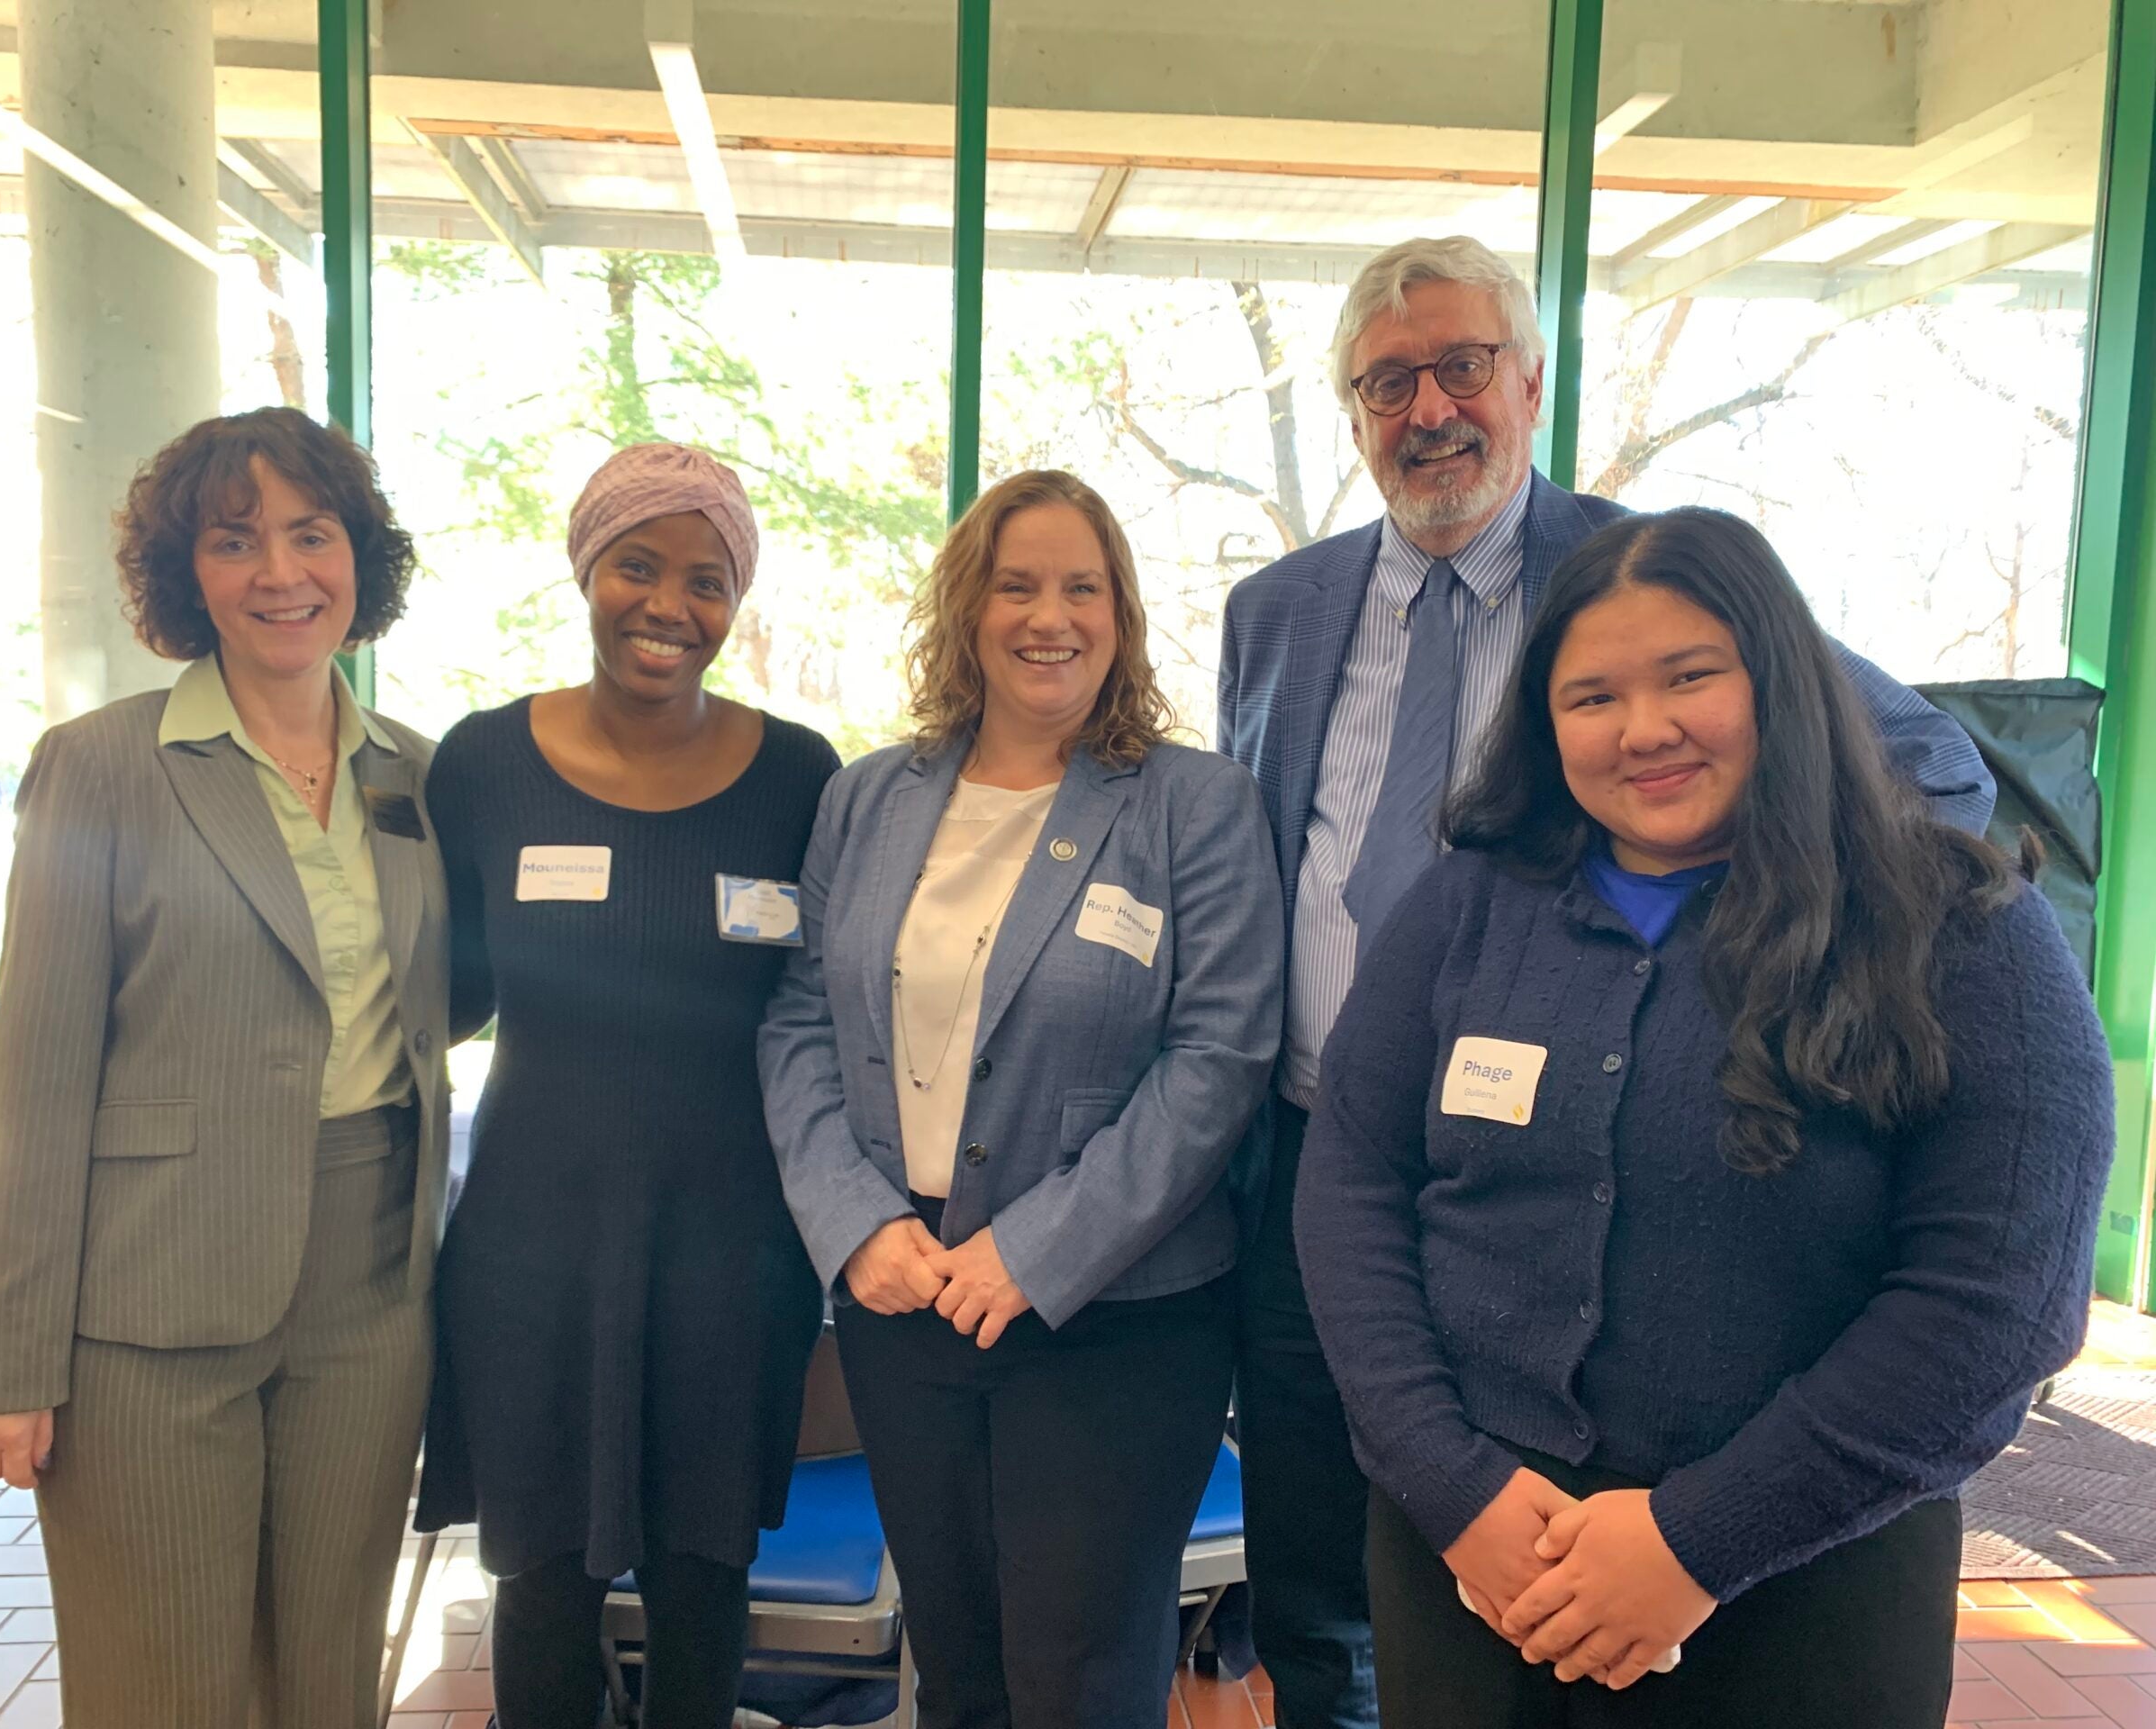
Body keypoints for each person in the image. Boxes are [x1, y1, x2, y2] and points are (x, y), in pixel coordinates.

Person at [1213, 235, 1999, 1729]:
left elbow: (1930, 769)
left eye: (1461, 367)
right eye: (1388, 381)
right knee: (1325, 1539)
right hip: (1325, 1149)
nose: (1429, 407)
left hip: (1610, 1129)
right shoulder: (1280, 610)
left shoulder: (1650, 576)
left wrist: (1756, 974)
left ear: (1528, 381)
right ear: (1352, 412)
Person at [1296, 505, 2111, 1727]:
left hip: (1805, 1580)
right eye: (1592, 697)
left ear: (1778, 678)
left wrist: (1692, 1546)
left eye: (1690, 677)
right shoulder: (1467, 906)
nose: (1645, 730)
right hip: (1474, 1570)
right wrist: (1450, 1485)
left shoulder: (1960, 928)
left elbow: (1997, 1302)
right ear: (1544, 721)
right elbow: (1352, 1183)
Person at [0, 406, 451, 1727]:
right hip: (151, 1297)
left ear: (360, 558)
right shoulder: (103, 769)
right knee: (161, 1677)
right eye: (236, 542)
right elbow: (36, 1073)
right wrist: (3, 1357)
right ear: (189, 576)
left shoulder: (417, 776)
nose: (281, 573)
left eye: (311, 534)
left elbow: (425, 1010)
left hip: (367, 1292)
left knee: (328, 1668)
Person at [760, 469, 1281, 1728]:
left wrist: (1036, 1252)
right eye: (1018, 585)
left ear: (1123, 614)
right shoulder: (869, 796)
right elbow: (797, 1021)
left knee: (1082, 1680)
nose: (1051, 617)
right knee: (960, 1665)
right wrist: (855, 1223)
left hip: (1114, 1321)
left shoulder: (1192, 804)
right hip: (905, 1298)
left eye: (1082, 588)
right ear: (967, 610)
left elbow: (1220, 1057)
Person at [414, 443, 837, 1729]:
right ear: (586, 569)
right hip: (534, 1241)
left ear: (736, 600)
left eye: (707, 580)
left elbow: (826, 1013)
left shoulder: (800, 778)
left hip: (731, 1243)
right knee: (539, 1573)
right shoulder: (482, 764)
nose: (668, 606)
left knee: (707, 1572)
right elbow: (444, 1000)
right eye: (637, 566)